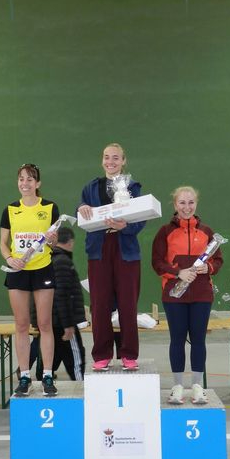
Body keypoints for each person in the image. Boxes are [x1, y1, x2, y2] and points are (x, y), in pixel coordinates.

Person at [151, 186, 223, 405]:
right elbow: (157, 262)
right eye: (182, 202)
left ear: (196, 204)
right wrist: (178, 273)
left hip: (202, 294)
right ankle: (178, 387)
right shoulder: (165, 232)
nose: (187, 207)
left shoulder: (208, 232)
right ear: (175, 205)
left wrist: (208, 267)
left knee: (199, 340)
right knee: (177, 339)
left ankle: (198, 387)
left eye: (191, 202)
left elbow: (218, 260)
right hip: (174, 295)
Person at [77, 143, 145, 371]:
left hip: (126, 249)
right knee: (99, 304)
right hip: (99, 249)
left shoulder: (133, 187)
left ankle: (129, 355)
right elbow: (82, 210)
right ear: (102, 160)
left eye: (116, 158)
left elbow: (141, 219)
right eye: (107, 157)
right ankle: (101, 355)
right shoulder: (90, 187)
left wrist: (126, 226)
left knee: (128, 304)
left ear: (123, 161)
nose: (111, 162)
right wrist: (82, 207)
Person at [0, 163, 59, 396]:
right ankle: (24, 376)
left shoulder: (50, 207)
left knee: (44, 324)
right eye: (21, 179)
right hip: (18, 272)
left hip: (43, 269)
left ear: (38, 183)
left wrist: (52, 239)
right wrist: (10, 258)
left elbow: (54, 241)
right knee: (22, 325)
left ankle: (47, 375)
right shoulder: (10, 210)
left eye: (30, 179)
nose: (25, 183)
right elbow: (3, 243)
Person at [28, 226, 87, 381]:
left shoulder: (44, 260)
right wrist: (68, 325)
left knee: (50, 359)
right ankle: (81, 390)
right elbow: (62, 295)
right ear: (70, 242)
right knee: (76, 361)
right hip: (61, 323)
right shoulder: (62, 261)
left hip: (48, 322)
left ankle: (43, 386)